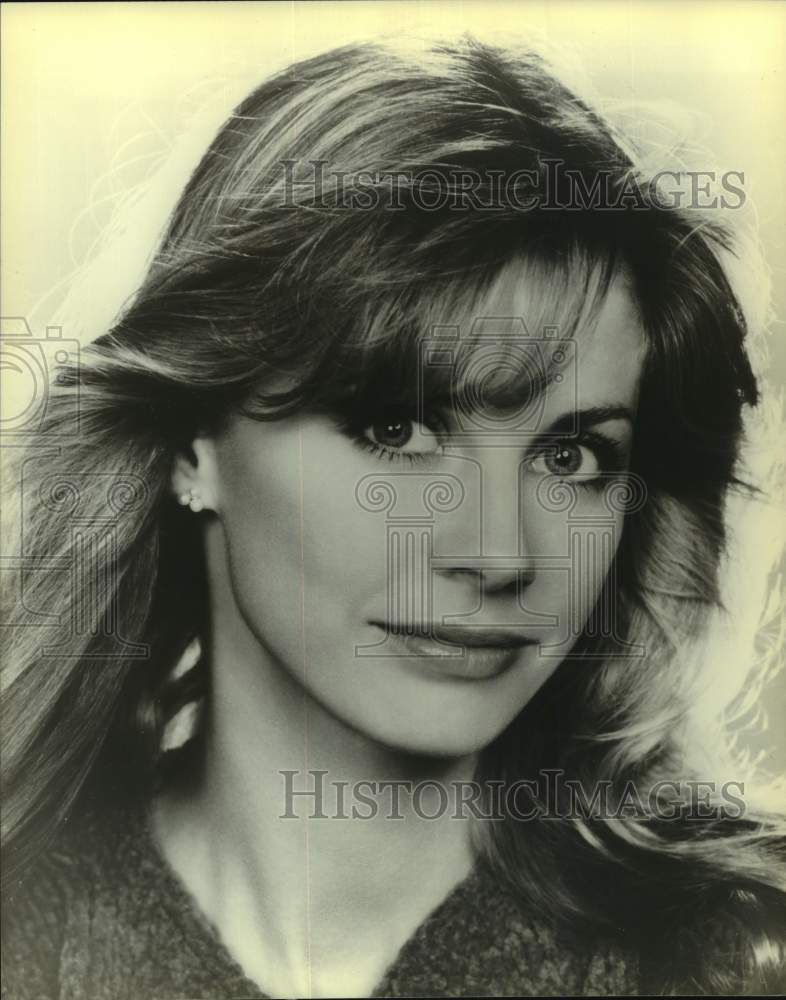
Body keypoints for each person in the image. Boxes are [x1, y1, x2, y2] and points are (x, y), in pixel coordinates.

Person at [2, 32, 785, 998]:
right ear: (190, 445)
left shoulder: (743, 955)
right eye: (399, 429)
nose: (499, 554)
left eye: (571, 456)